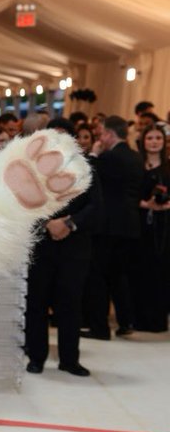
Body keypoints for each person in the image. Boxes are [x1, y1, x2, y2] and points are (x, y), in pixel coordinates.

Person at [24, 120, 103, 377]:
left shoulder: (87, 167)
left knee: (70, 303)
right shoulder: (34, 167)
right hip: (42, 244)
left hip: (75, 246)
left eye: (63, 136)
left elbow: (96, 205)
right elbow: (26, 201)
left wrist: (68, 223)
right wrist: (48, 223)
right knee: (37, 302)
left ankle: (69, 360)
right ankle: (36, 357)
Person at [82, 114, 143, 340]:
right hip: (130, 224)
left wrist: (94, 153)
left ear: (109, 133)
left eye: (102, 133)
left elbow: (87, 176)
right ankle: (125, 320)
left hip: (108, 226)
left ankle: (100, 328)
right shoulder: (136, 157)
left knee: (98, 277)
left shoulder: (109, 158)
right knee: (119, 275)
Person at [133, 124, 170, 332]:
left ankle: (157, 320)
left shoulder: (168, 168)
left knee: (160, 271)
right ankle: (137, 318)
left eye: (158, 138)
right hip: (140, 224)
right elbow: (129, 196)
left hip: (164, 226)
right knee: (139, 269)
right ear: (143, 141)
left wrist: (165, 205)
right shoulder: (137, 167)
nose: (154, 142)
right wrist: (145, 204)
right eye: (150, 138)